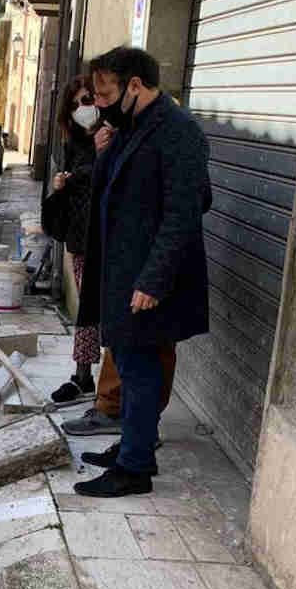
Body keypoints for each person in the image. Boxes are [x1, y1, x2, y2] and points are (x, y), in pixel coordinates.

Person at [73, 46, 211, 497]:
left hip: (147, 276)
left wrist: (154, 280)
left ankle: (133, 469)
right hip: (123, 270)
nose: (100, 104)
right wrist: (102, 153)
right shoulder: (132, 127)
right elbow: (111, 190)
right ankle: (134, 449)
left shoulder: (178, 130)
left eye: (105, 94)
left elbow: (186, 210)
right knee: (130, 366)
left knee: (141, 368)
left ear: (135, 85)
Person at [42, 76, 100, 403]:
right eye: (75, 105)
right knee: (87, 311)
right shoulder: (73, 144)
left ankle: (113, 384)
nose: (82, 109)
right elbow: (67, 186)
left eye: (87, 101)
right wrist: (60, 184)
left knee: (113, 315)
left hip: (111, 238)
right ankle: (82, 376)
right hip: (80, 239)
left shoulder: (114, 138)